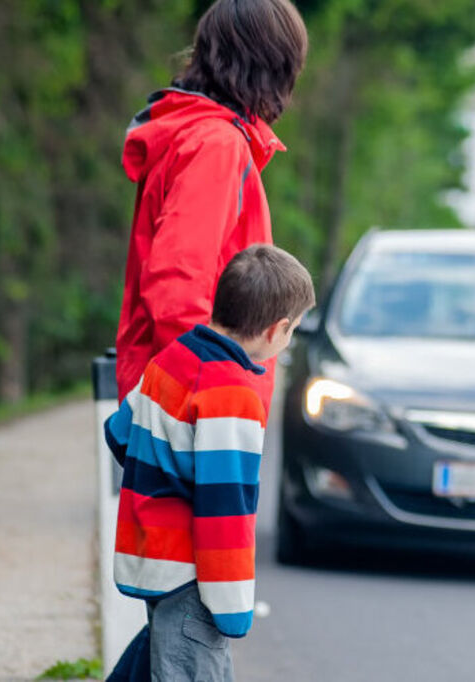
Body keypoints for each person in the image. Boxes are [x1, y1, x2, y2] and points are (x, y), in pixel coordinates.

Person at [104, 244, 316, 680]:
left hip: (155, 560)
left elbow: (120, 432)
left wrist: (164, 477)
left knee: (159, 660)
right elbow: (225, 509)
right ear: (276, 330)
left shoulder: (174, 358)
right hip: (194, 578)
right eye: (293, 330)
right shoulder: (233, 396)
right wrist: (232, 606)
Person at [114, 0, 308, 409]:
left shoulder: (196, 134)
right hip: (197, 409)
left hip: (181, 399)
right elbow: (177, 285)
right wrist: (215, 398)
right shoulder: (215, 145)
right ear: (272, 66)